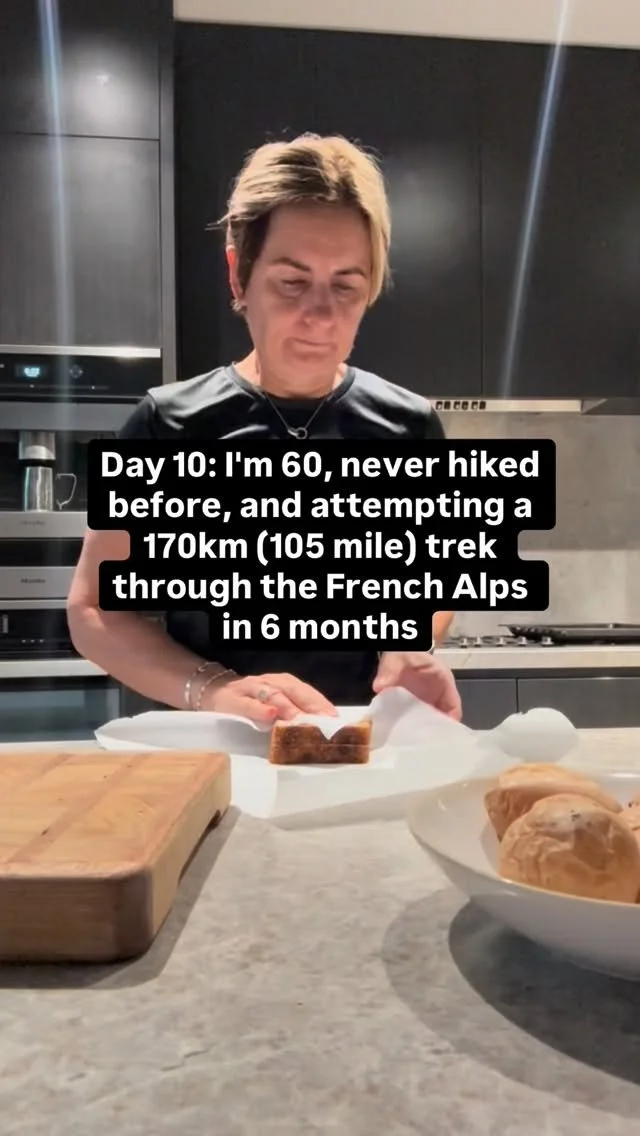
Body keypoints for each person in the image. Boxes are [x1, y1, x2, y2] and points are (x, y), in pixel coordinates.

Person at [67, 133, 461, 724]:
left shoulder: (408, 426)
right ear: (239, 276)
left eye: (346, 286)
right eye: (292, 282)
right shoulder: (167, 425)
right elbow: (95, 611)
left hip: (360, 743)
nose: (321, 315)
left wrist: (409, 641)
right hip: (216, 747)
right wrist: (216, 690)